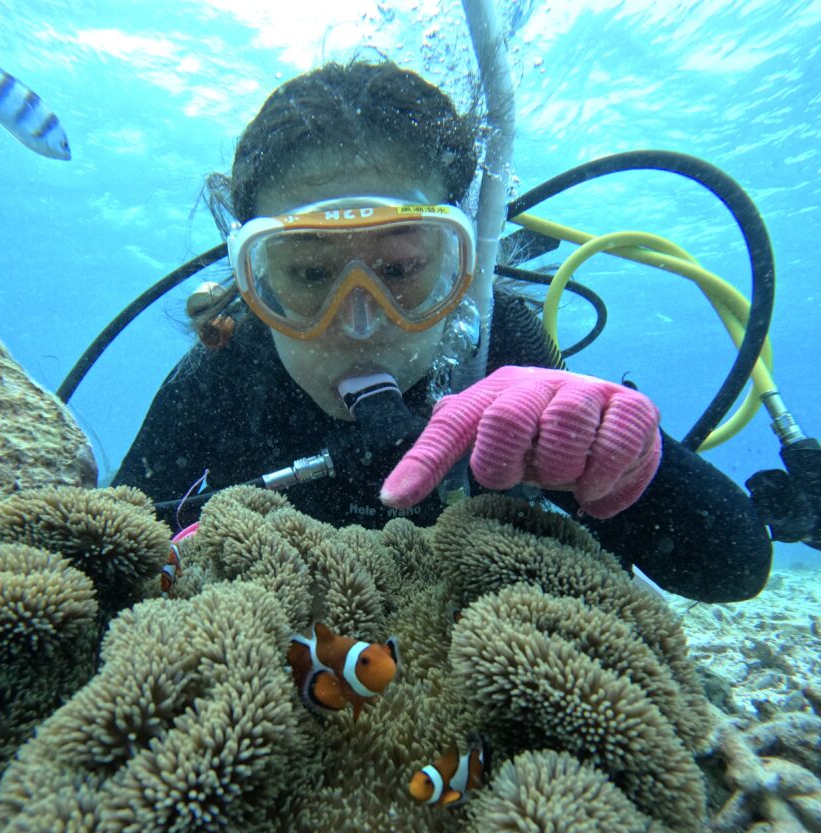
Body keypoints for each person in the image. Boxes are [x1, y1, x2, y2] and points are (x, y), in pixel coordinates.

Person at [113, 60, 772, 603]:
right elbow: (114, 541)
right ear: (253, 280)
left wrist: (626, 461)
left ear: (465, 263)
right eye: (311, 272)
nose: (359, 323)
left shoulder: (496, 351)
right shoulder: (227, 373)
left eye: (400, 268)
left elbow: (736, 568)